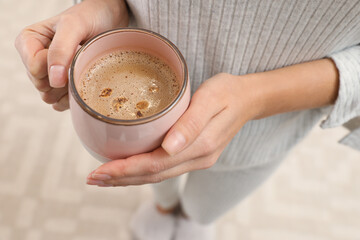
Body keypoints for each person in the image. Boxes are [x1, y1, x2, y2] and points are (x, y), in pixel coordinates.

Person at [15, 0, 360, 239]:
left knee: (210, 202)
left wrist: (257, 97)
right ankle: (164, 209)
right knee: (154, 177)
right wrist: (107, 5)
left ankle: (195, 218)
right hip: (138, 104)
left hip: (263, 129)